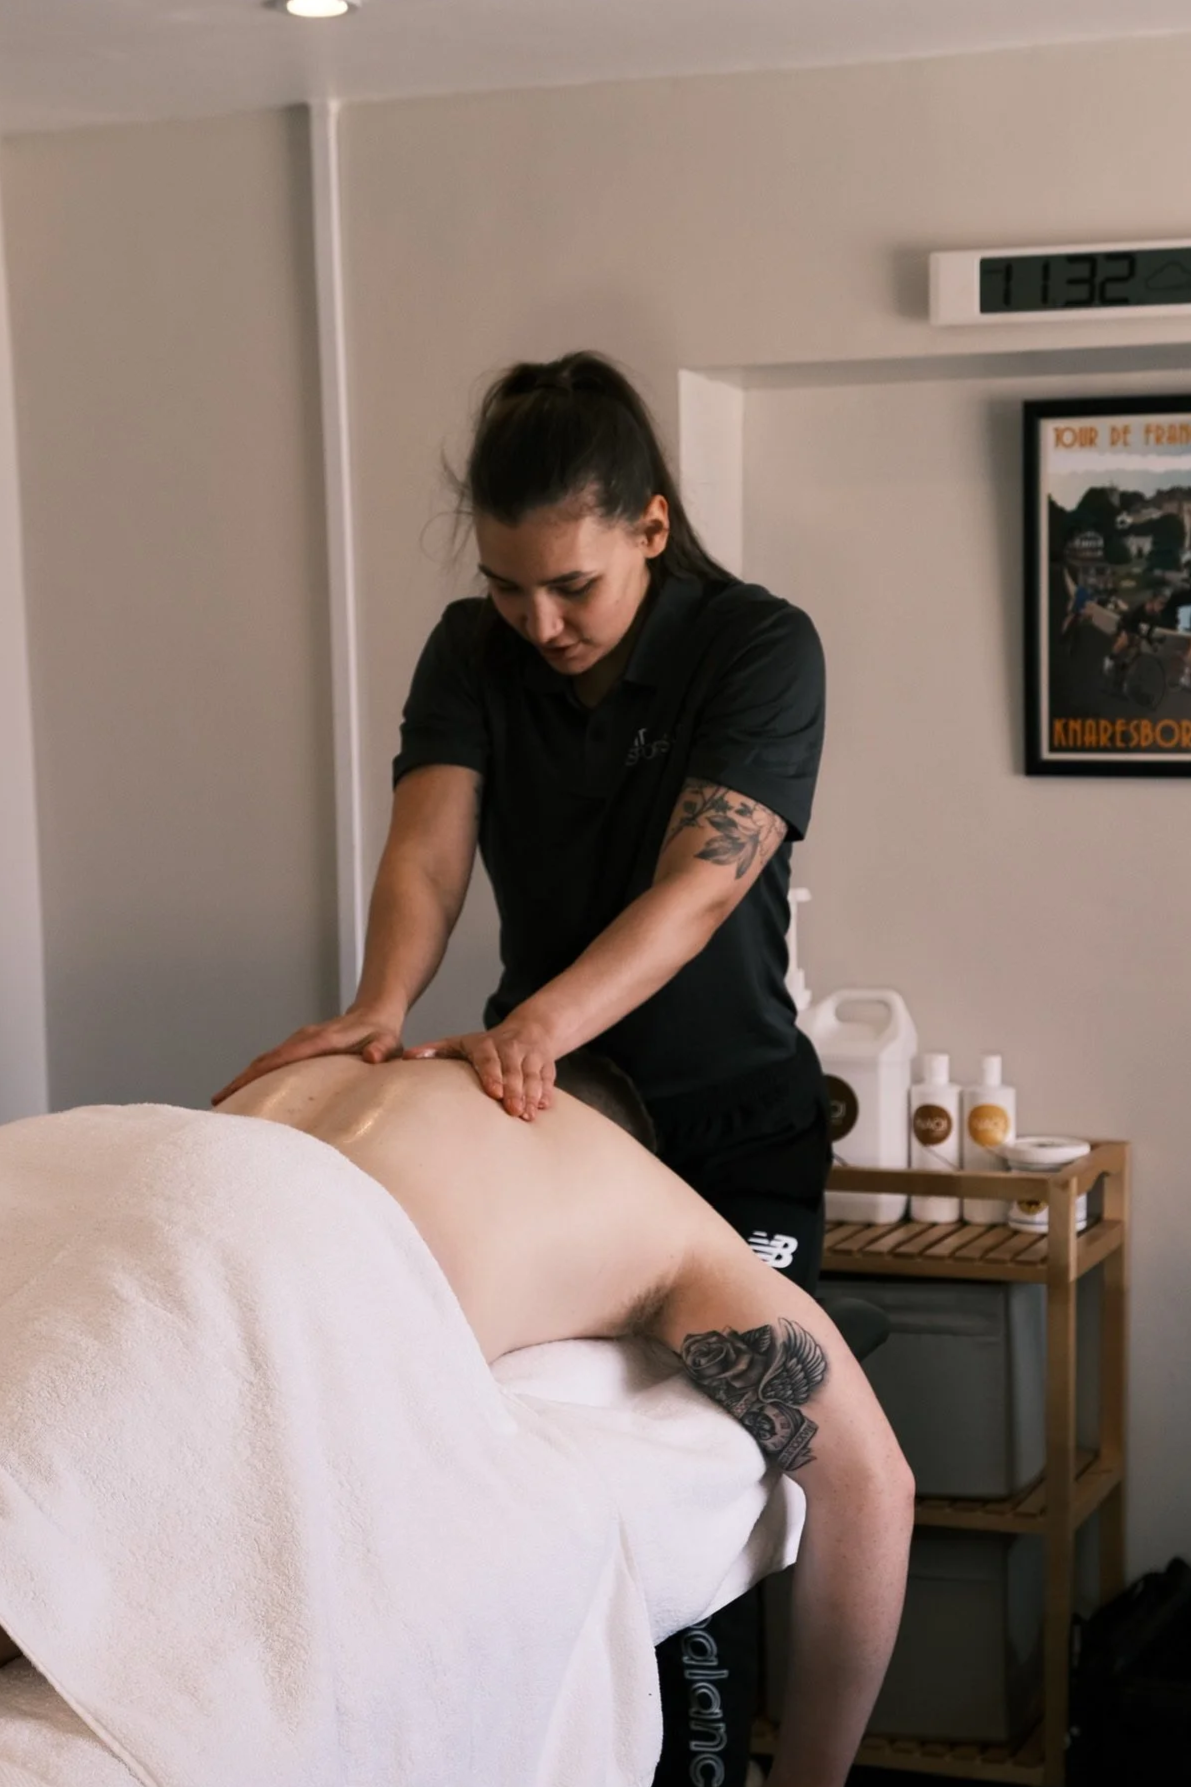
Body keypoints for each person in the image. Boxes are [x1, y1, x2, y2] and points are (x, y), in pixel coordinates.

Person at [214, 351, 832, 1783]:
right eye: (506, 586)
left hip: (730, 1129)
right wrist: (378, 1005)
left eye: (571, 587)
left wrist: (541, 1020)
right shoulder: (469, 649)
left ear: (651, 527)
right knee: (539, 1458)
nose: (537, 622)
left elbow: (699, 888)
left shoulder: (757, 645)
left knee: (710, 1465)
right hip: (558, 1109)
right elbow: (428, 854)